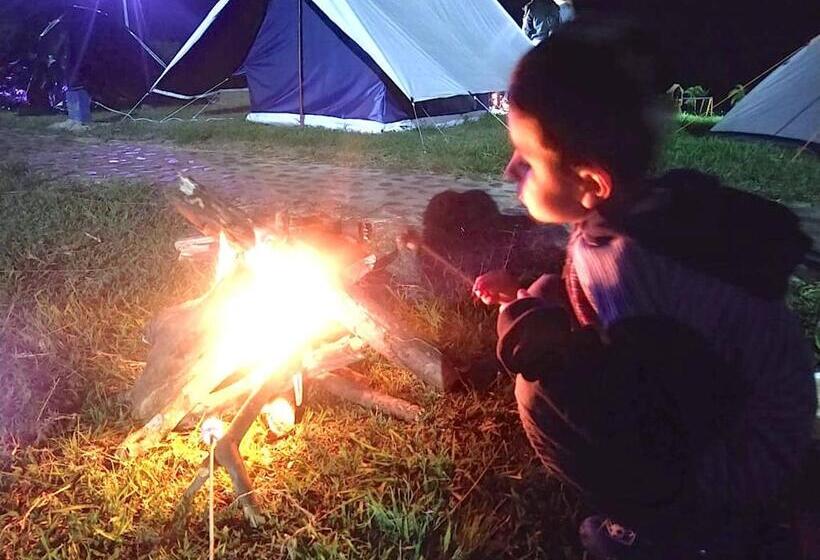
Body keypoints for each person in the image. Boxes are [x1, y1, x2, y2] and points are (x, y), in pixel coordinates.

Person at [473, 19, 817, 559]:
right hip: (735, 408)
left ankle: (673, 532)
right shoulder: (639, 216)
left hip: (748, 457)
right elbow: (595, 301)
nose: (508, 169)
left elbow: (654, 409)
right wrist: (535, 292)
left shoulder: (636, 267)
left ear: (591, 183)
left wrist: (537, 331)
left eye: (527, 160)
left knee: (542, 396)